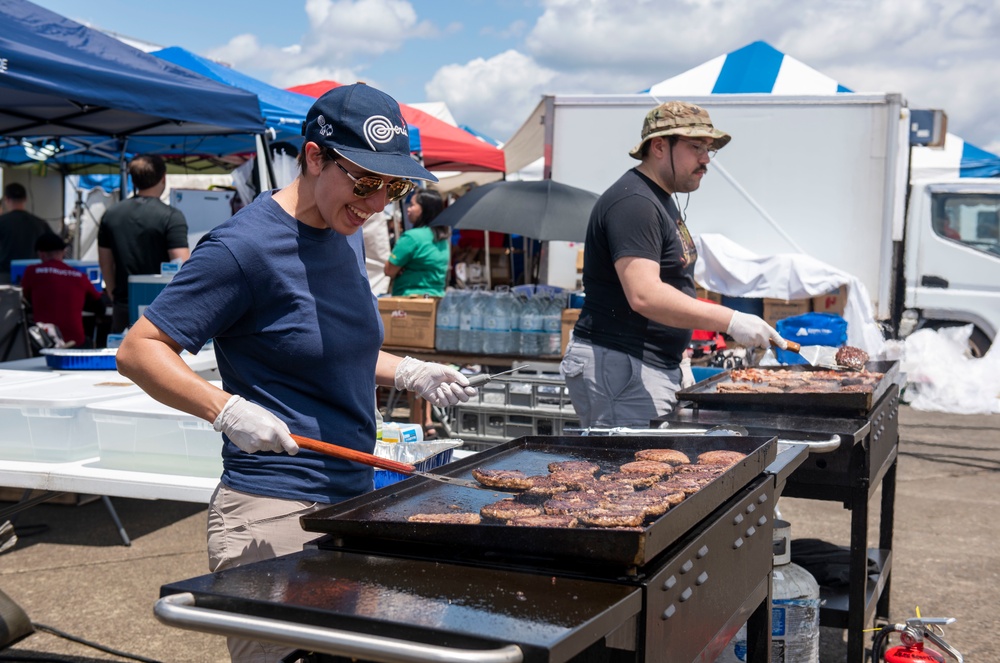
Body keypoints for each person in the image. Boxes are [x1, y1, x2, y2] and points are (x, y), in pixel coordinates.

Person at [115, 83, 476, 663]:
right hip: (273, 513)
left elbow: (327, 347)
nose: (378, 200)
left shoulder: (343, 232)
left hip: (351, 500)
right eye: (364, 181)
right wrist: (224, 409)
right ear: (313, 157)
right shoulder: (243, 247)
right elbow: (140, 349)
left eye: (394, 185)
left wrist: (408, 371)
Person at [560, 101, 787, 428]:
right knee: (627, 475)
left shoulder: (659, 198)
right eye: (696, 147)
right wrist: (731, 319)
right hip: (622, 365)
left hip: (647, 364)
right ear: (658, 146)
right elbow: (645, 295)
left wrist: (678, 349)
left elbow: (668, 281)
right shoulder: (634, 203)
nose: (706, 159)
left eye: (709, 149)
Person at [97, 154, 190, 333]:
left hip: (124, 303)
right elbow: (181, 265)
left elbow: (105, 262)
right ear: (163, 177)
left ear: (133, 179)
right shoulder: (171, 216)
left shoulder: (111, 214)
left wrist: (114, 293)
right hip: (161, 307)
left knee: (121, 356)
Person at [20, 232, 104, 348]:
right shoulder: (80, 276)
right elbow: (100, 306)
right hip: (75, 341)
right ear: (63, 252)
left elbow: (23, 301)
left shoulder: (32, 272)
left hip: (45, 341)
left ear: (41, 254)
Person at [383, 188, 450, 296]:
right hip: (437, 299)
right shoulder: (442, 238)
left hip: (410, 302)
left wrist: (402, 267)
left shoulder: (412, 237)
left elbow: (389, 270)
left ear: (425, 209)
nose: (408, 209)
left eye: (412, 205)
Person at [0, 182, 52, 285]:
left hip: (5, 277)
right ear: (25, 199)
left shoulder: (2, 222)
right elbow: (54, 249)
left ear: (6, 199)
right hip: (34, 277)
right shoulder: (40, 223)